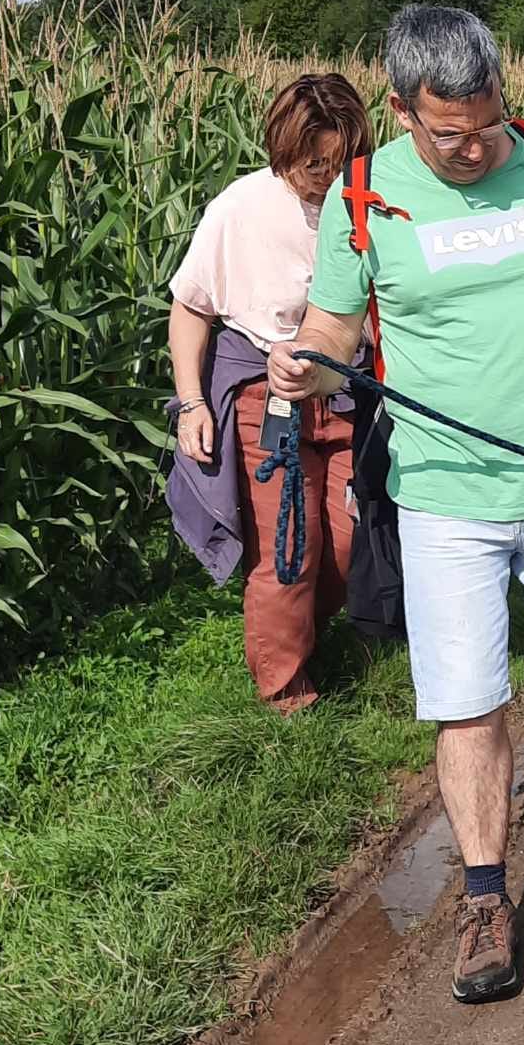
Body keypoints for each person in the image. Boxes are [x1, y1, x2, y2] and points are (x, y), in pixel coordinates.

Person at [270, 8, 524, 1008]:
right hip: (445, 497)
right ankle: (486, 895)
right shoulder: (364, 198)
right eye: (447, 131)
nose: (471, 146)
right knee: (466, 700)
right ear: (400, 108)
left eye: (485, 121)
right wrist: (308, 369)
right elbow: (334, 328)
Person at [167, 72, 374, 712]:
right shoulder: (240, 208)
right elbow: (190, 308)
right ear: (285, 148)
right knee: (290, 542)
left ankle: (306, 633)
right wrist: (192, 404)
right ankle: (285, 687)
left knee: (349, 533)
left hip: (344, 389)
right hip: (268, 392)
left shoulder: (366, 203)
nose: (325, 175)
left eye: (338, 162)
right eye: (314, 162)